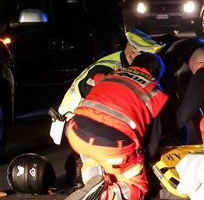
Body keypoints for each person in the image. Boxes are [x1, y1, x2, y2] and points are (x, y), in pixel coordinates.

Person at [61, 52, 168, 200]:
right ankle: (104, 196)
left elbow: (91, 83)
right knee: (138, 188)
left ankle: (92, 182)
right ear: (157, 75)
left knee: (93, 158)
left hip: (76, 133)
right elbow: (154, 141)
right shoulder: (156, 92)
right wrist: (144, 159)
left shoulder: (111, 75)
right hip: (111, 145)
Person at [57, 29, 165, 185]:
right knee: (125, 169)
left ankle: (94, 180)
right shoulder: (109, 68)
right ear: (132, 55)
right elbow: (101, 103)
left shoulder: (122, 68)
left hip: (84, 122)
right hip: (74, 118)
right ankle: (96, 182)